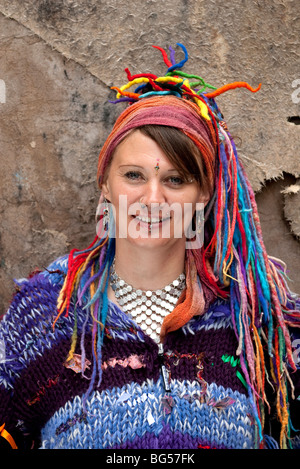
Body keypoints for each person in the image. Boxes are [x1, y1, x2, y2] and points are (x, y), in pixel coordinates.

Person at [0, 44, 299, 450]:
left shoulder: (256, 315)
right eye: (134, 175)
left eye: (176, 180)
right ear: (105, 183)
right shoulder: (46, 314)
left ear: (204, 194)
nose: (153, 199)